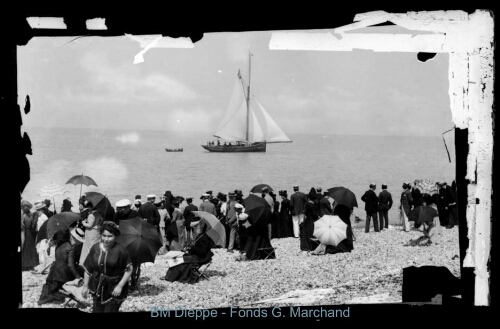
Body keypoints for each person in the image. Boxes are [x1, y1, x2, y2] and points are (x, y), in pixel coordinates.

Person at [81, 222, 133, 313]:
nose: (106, 239)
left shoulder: (121, 250)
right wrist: (85, 286)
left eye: (110, 236)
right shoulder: (95, 248)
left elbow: (129, 269)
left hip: (113, 287)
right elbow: (88, 269)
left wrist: (120, 286)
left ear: (116, 236)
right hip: (97, 286)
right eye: (104, 235)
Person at [38, 227, 85, 305]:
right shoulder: (71, 247)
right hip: (64, 272)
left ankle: (47, 298)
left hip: (54, 269)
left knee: (50, 286)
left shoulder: (59, 243)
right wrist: (78, 277)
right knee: (80, 272)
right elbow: (70, 265)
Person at [163, 218, 216, 284]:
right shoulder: (201, 237)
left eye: (197, 227)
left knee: (180, 260)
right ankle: (171, 276)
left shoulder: (204, 238)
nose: (195, 229)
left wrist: (192, 248)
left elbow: (202, 252)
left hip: (200, 258)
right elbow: (198, 249)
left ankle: (172, 277)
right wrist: (190, 248)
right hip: (198, 257)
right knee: (179, 259)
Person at [21, 200, 39, 271]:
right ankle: (26, 265)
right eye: (24, 206)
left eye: (27, 206)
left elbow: (33, 225)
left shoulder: (29, 215)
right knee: (25, 248)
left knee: (28, 248)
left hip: (28, 232)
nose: (25, 208)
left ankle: (28, 265)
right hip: (25, 232)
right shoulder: (24, 215)